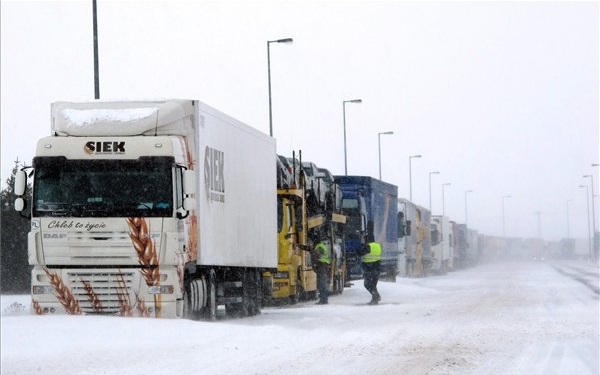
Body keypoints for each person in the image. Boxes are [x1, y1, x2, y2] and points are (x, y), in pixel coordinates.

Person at [361, 233, 382, 305]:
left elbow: (360, 253)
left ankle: (376, 296)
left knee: (367, 284)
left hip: (369, 269)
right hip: (377, 269)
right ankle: (374, 299)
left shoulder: (368, 246)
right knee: (373, 285)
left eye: (364, 239)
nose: (363, 241)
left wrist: (360, 248)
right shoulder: (377, 245)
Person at [313, 235, 330, 305]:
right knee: (322, 283)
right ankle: (323, 299)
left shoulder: (320, 247)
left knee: (322, 284)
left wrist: (314, 256)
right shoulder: (321, 245)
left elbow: (318, 254)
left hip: (322, 266)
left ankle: (324, 300)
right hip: (322, 266)